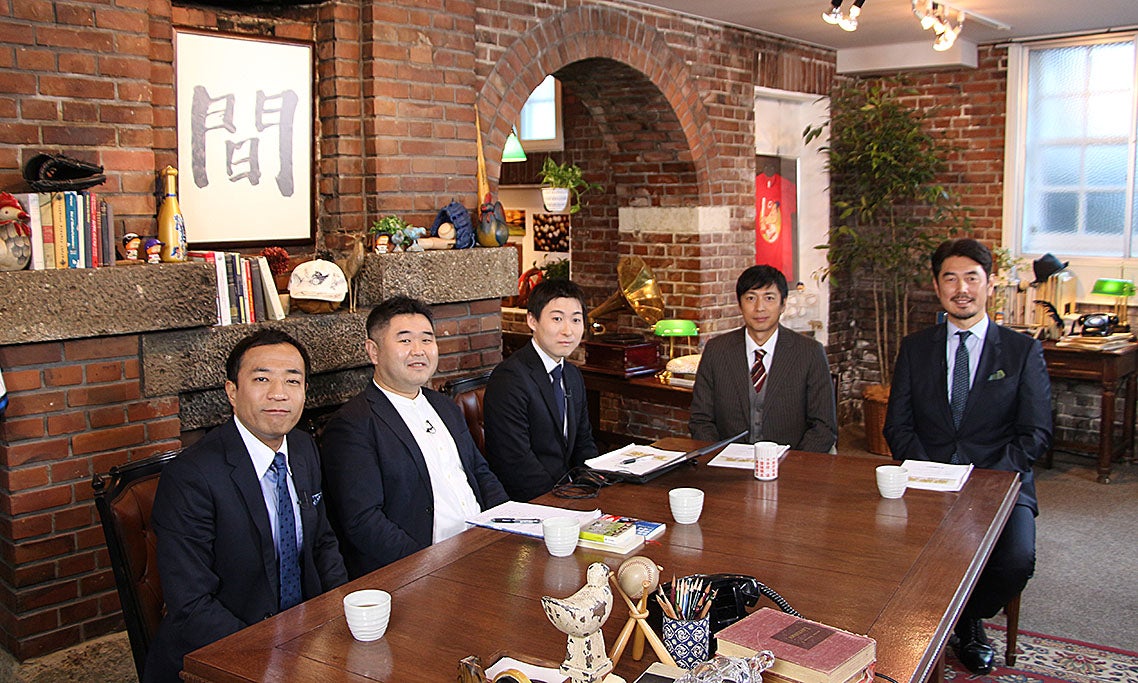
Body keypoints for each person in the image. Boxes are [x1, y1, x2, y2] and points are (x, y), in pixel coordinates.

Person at [883, 238, 1051, 676]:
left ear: (989, 284)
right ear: (937, 286)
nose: (962, 289)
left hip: (1000, 482)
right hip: (927, 479)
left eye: (972, 278)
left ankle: (967, 619)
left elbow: (1036, 434)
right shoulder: (915, 348)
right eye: (951, 279)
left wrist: (985, 479)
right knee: (882, 552)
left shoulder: (1021, 351)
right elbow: (897, 426)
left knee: (1016, 560)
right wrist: (930, 471)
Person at [145, 330, 347, 683]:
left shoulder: (303, 448)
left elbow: (322, 543)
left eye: (292, 380)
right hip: (221, 654)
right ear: (232, 392)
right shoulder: (191, 475)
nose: (278, 393)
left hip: (305, 641)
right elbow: (191, 605)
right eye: (262, 379)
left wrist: (338, 618)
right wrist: (274, 657)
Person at [320, 296, 508, 577]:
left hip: (482, 546)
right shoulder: (353, 424)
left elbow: (480, 473)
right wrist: (429, 564)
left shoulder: (444, 405)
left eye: (426, 340)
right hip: (424, 568)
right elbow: (364, 521)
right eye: (405, 340)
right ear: (373, 351)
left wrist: (507, 524)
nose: (418, 350)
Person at [689, 265, 837, 452]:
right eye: (751, 298)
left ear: (783, 304)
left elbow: (823, 427)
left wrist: (795, 463)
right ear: (740, 304)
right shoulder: (717, 350)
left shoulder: (809, 352)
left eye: (769, 298)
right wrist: (719, 458)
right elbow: (701, 420)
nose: (759, 308)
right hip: (728, 462)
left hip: (790, 462)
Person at [483, 278, 599, 500]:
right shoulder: (509, 379)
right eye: (557, 319)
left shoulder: (572, 375)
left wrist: (593, 486)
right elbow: (515, 463)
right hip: (532, 500)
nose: (568, 331)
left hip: (571, 495)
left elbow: (584, 443)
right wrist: (561, 501)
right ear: (532, 320)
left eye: (576, 320)